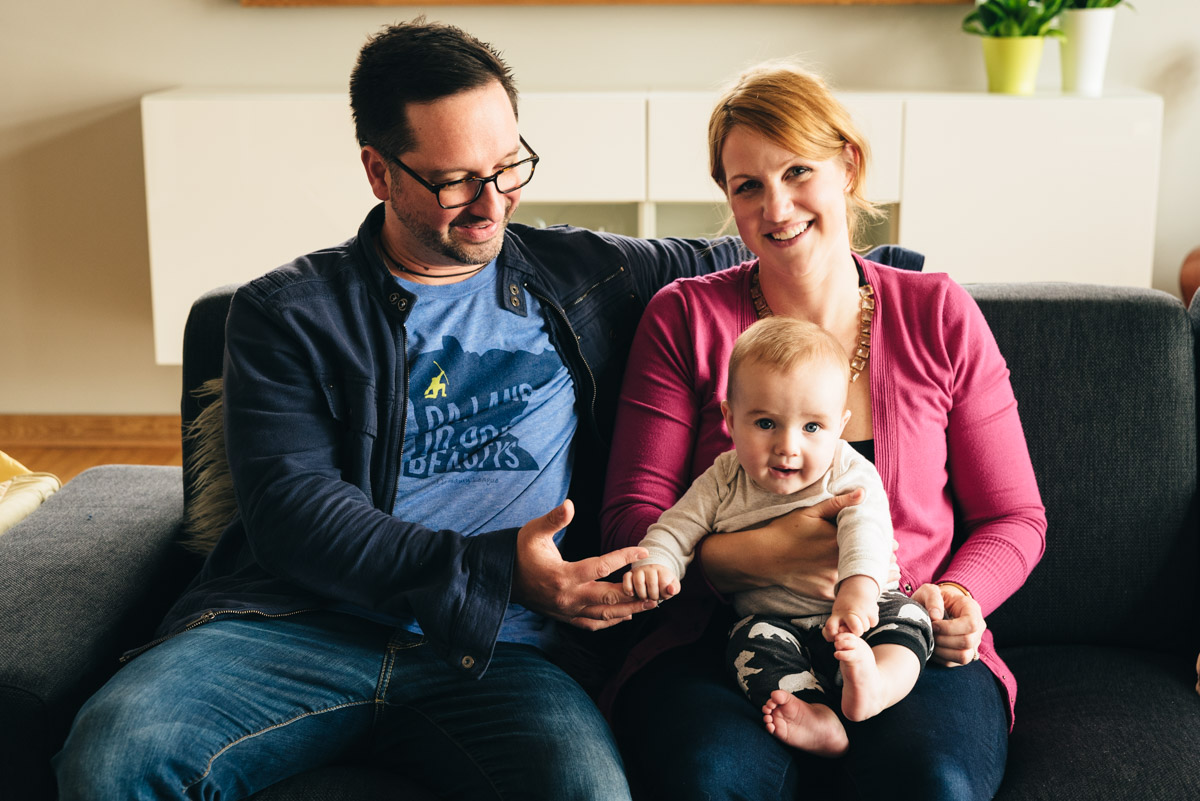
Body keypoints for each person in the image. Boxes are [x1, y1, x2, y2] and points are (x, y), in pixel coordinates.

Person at [51, 19, 749, 801]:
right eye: (455, 181)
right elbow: (294, 512)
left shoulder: (585, 273)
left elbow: (779, 249)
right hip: (292, 631)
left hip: (501, 655)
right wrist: (499, 573)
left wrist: (900, 290)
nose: (493, 205)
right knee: (113, 757)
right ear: (379, 171)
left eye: (508, 166)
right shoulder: (288, 314)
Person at [600, 61, 1047, 801]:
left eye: (797, 171)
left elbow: (1015, 515)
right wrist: (750, 558)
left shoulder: (938, 314)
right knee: (713, 779)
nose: (775, 206)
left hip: (901, 631)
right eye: (747, 185)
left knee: (932, 783)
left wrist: (955, 596)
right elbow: (632, 522)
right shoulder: (685, 317)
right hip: (726, 636)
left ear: (849, 166)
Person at [623, 316, 933, 758]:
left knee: (910, 622)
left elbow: (868, 530)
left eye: (812, 428)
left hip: (862, 612)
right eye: (766, 423)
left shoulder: (847, 470)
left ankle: (877, 683)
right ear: (730, 419)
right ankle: (816, 713)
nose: (788, 446)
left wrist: (857, 593)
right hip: (774, 623)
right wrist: (656, 562)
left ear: (839, 427)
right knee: (746, 646)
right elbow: (677, 527)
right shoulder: (722, 479)